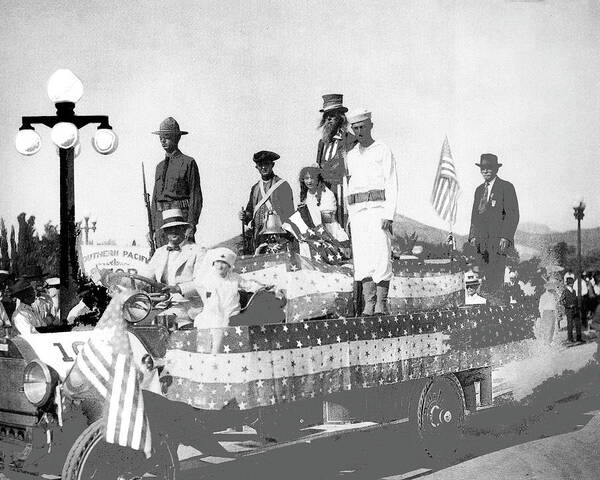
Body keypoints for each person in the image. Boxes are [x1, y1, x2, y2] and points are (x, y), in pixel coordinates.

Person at [345, 109, 398, 315]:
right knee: (363, 256)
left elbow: (391, 183)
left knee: (381, 254)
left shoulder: (382, 150)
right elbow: (349, 188)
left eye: (363, 127)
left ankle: (381, 303)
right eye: (356, 128)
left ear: (370, 127)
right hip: (358, 213)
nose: (359, 131)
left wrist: (388, 214)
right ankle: (369, 302)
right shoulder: (351, 155)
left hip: (378, 210)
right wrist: (350, 216)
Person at [140, 208, 206, 327]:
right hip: (162, 304)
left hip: (188, 307)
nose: (174, 231)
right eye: (170, 229)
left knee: (160, 324)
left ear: (184, 230)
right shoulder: (159, 252)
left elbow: (202, 282)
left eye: (177, 228)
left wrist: (178, 288)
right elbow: (144, 277)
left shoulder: (198, 251)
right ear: (165, 232)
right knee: (138, 321)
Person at [468, 153, 519, 304]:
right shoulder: (479, 190)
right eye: (483, 168)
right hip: (482, 243)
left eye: (489, 168)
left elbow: (513, 215)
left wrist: (506, 237)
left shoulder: (506, 187)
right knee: (485, 278)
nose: (486, 171)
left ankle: (500, 312)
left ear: (496, 169)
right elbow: (474, 216)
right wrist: (472, 236)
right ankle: (490, 311)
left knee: (498, 277)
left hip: (499, 242)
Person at [151, 117, 203, 247]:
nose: (163, 140)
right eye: (161, 137)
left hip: (180, 221)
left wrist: (191, 224)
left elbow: (195, 196)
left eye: (167, 136)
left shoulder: (188, 162)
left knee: (183, 259)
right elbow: (154, 199)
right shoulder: (159, 166)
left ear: (176, 138)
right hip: (160, 222)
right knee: (162, 260)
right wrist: (152, 228)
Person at [194, 247, 266, 330]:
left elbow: (248, 285)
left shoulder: (234, 278)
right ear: (213, 264)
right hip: (214, 315)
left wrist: (261, 287)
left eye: (224, 263)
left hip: (233, 314)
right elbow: (211, 301)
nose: (220, 266)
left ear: (229, 266)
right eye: (217, 262)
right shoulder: (208, 279)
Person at [239, 151, 294, 253]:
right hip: (258, 238)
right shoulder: (255, 188)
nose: (263, 167)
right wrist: (244, 216)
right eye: (260, 165)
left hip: (277, 239)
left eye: (266, 164)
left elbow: (289, 215)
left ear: (272, 165)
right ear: (257, 167)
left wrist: (282, 239)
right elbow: (250, 212)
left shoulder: (283, 185)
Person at [315, 94, 356, 225]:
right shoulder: (322, 144)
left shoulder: (351, 140)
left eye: (332, 115)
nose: (329, 119)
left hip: (343, 193)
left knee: (344, 229)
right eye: (326, 116)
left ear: (340, 117)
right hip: (325, 195)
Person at [298, 165, 349, 242]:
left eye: (312, 178)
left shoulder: (327, 194)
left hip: (330, 233)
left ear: (318, 179)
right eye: (306, 178)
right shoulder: (306, 196)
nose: (309, 181)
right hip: (313, 234)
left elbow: (328, 220)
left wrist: (320, 235)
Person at [560, 273, 583, 344]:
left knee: (578, 323)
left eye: (572, 283)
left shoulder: (574, 291)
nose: (571, 284)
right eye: (570, 283)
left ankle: (579, 338)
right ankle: (570, 339)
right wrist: (567, 306)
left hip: (575, 309)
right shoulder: (565, 291)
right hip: (569, 310)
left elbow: (575, 299)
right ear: (568, 284)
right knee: (570, 324)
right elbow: (561, 300)